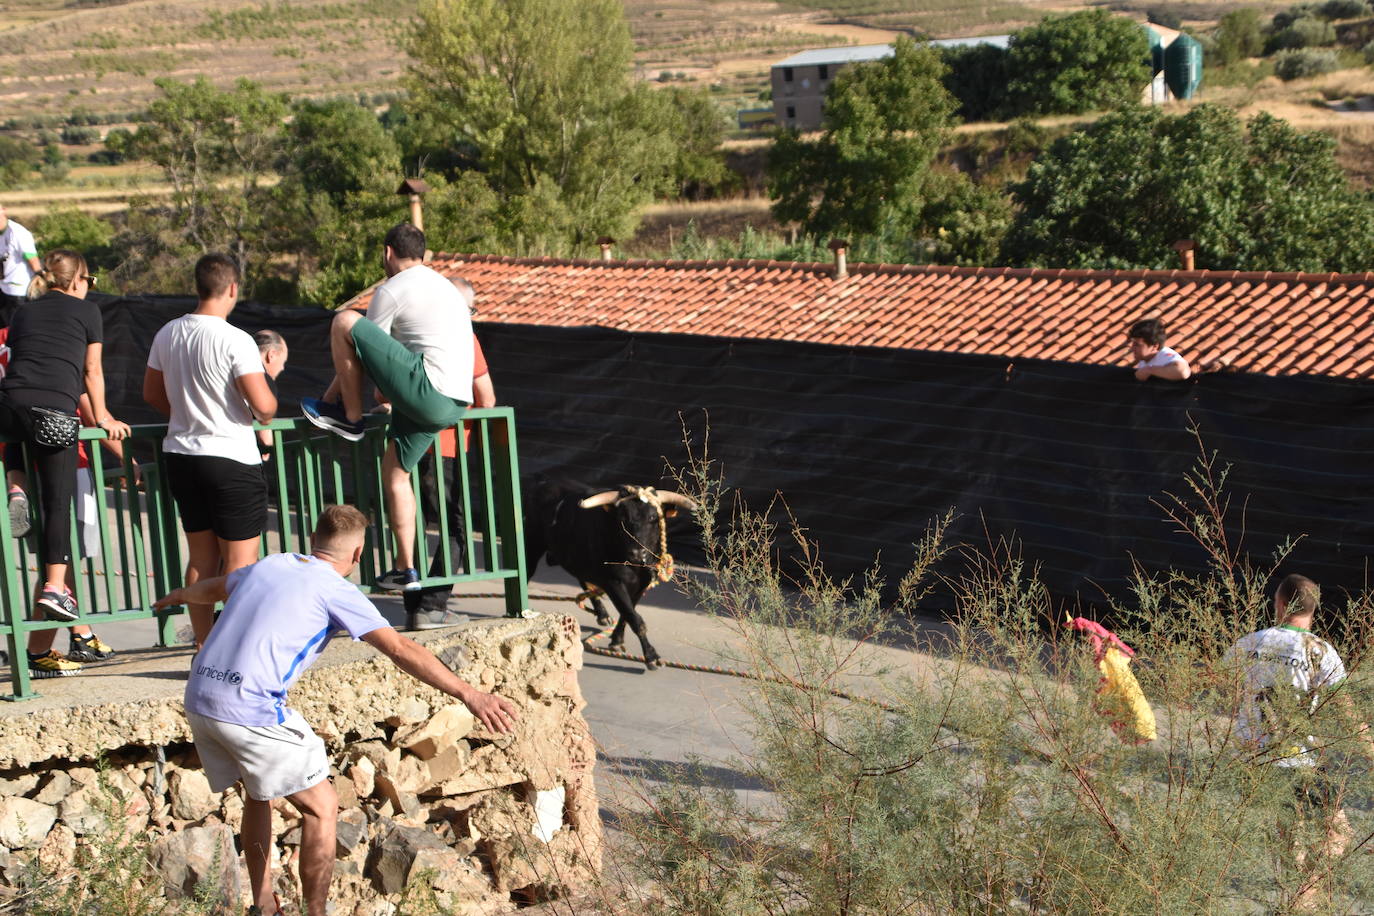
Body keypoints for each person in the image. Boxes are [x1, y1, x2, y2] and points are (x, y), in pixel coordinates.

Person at [152, 504, 517, 916]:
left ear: (313, 540)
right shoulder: (337, 590)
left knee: (258, 794)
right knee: (322, 807)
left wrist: (180, 595)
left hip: (201, 694)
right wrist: (470, 694)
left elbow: (216, 587)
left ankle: (262, 903)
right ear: (358, 554)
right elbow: (399, 648)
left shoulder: (273, 564)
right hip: (250, 708)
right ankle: (316, 911)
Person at [301, 223, 473, 592]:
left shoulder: (391, 290)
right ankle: (405, 568)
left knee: (345, 319)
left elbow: (357, 349)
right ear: (423, 254)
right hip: (454, 402)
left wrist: (332, 402)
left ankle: (347, 418)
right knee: (395, 473)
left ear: (387, 252)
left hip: (427, 390)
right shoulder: (446, 287)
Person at [0, 250, 130, 678]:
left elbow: (22, 365)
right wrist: (105, 416)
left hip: (10, 407)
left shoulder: (23, 312)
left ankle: (16, 485)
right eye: (89, 280)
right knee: (58, 503)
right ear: (78, 281)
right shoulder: (87, 310)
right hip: (54, 412)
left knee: (20, 424)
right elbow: (91, 371)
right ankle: (55, 587)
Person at [143, 254, 277, 648]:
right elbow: (265, 408)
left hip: (182, 455)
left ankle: (202, 647)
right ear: (233, 288)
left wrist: (187, 412)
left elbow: (151, 394)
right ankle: (234, 652)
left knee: (200, 559)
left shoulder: (167, 332)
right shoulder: (236, 339)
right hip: (231, 457)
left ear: (198, 286)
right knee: (240, 565)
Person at [1222, 574, 1374, 906]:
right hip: (1300, 758)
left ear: (1278, 604)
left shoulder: (1249, 643)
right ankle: (1307, 892)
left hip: (1256, 758)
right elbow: (1346, 710)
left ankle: (1303, 892)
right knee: (1338, 833)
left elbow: (1222, 687)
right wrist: (1369, 750)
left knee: (1290, 838)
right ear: (1315, 609)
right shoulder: (1319, 651)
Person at [405, 277, 495, 630]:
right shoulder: (463, 338)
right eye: (468, 309)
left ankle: (415, 605)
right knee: (456, 527)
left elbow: (383, 396)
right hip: (445, 446)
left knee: (409, 525)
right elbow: (486, 398)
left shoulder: (411, 335)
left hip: (408, 445)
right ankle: (431, 605)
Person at [0, 205, 42, 329]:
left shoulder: (17, 233)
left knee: (15, 328)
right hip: (3, 288)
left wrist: (41, 277)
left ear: (3, 210)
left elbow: (33, 260)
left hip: (19, 291)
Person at [253, 329, 289, 460]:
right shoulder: (262, 379)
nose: (282, 368)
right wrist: (268, 448)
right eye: (283, 361)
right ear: (272, 355)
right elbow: (265, 435)